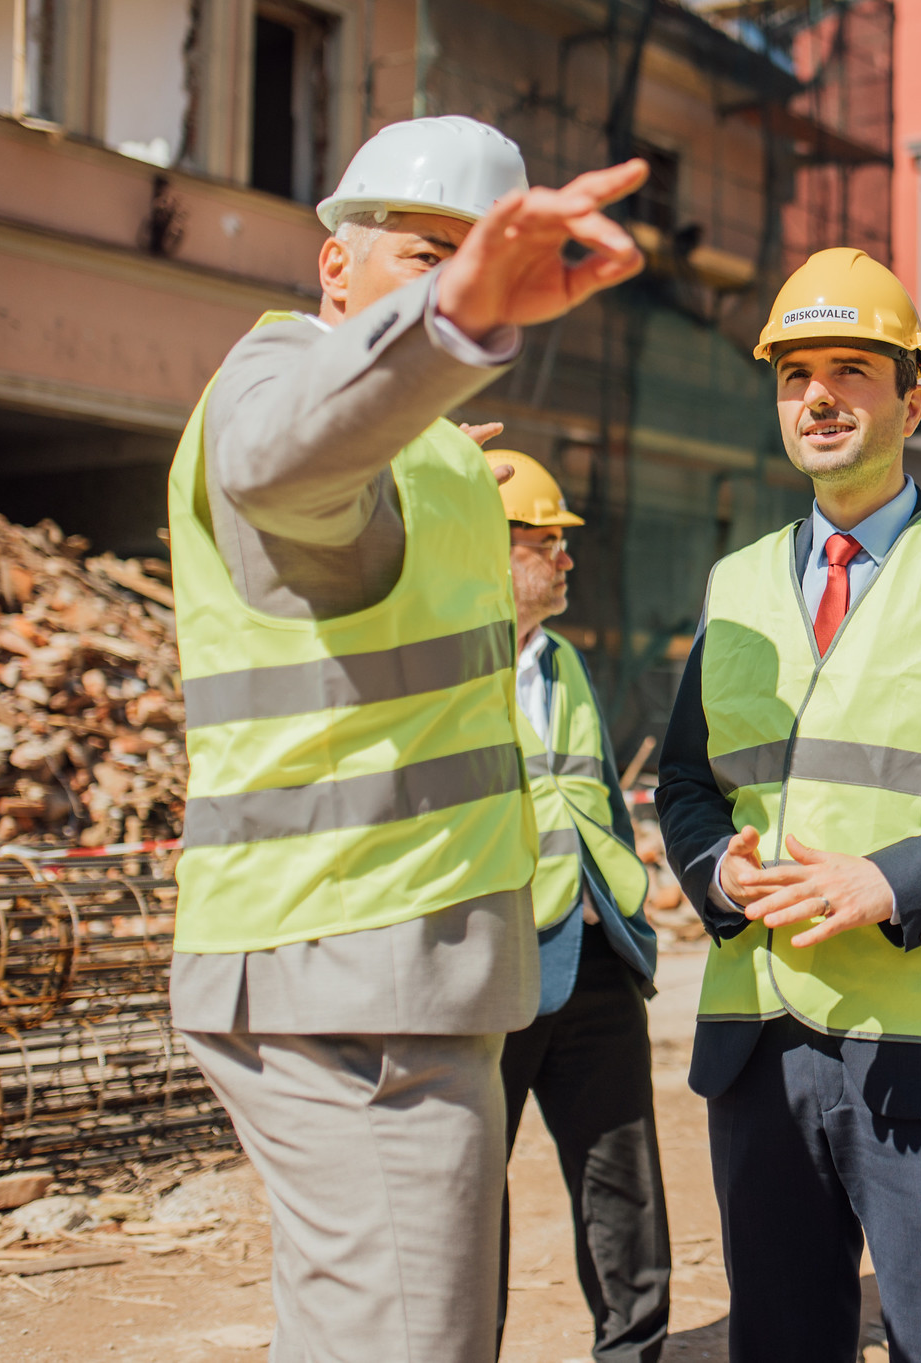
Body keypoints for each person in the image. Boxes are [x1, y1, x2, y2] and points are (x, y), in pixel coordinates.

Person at [165, 115, 647, 1363]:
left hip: (380, 963)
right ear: (335, 266)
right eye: (417, 255)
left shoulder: (410, 444)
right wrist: (450, 328)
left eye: (465, 256)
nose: (442, 281)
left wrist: (416, 428)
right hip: (354, 970)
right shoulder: (272, 382)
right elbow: (283, 459)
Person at [654, 247, 921, 1363]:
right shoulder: (736, 585)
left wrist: (885, 881)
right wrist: (716, 871)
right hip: (761, 1049)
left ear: (911, 397)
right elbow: (690, 784)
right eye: (795, 372)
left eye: (851, 368)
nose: (818, 396)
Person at [491, 452, 669, 1362]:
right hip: (496, 965)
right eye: (546, 542)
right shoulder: (448, 669)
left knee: (623, 1185)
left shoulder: (563, 660)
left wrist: (629, 917)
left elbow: (592, 800)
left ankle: (632, 1351)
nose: (565, 561)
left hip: (595, 955)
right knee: (470, 1197)